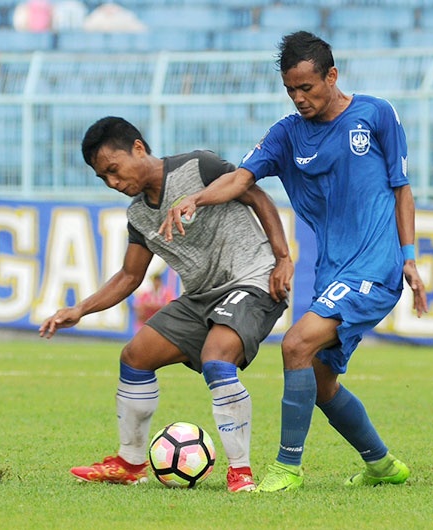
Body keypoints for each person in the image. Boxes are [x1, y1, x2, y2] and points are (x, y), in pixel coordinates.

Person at [160, 31, 428, 492]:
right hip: (332, 271)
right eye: (291, 90)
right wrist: (197, 200)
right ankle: (383, 466)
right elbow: (242, 178)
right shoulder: (287, 134)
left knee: (295, 346)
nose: (300, 98)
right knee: (322, 384)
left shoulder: (376, 114)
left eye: (308, 87)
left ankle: (287, 468)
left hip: (376, 265)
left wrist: (408, 258)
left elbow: (401, 188)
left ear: (332, 75)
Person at [39, 116, 294, 493]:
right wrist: (81, 309)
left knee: (216, 356)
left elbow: (255, 194)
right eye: (103, 178)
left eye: (114, 169)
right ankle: (129, 463)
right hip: (201, 296)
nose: (113, 182)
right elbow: (129, 275)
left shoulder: (198, 166)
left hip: (253, 278)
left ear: (138, 148)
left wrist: (283, 257)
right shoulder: (138, 216)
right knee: (135, 356)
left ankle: (240, 472)